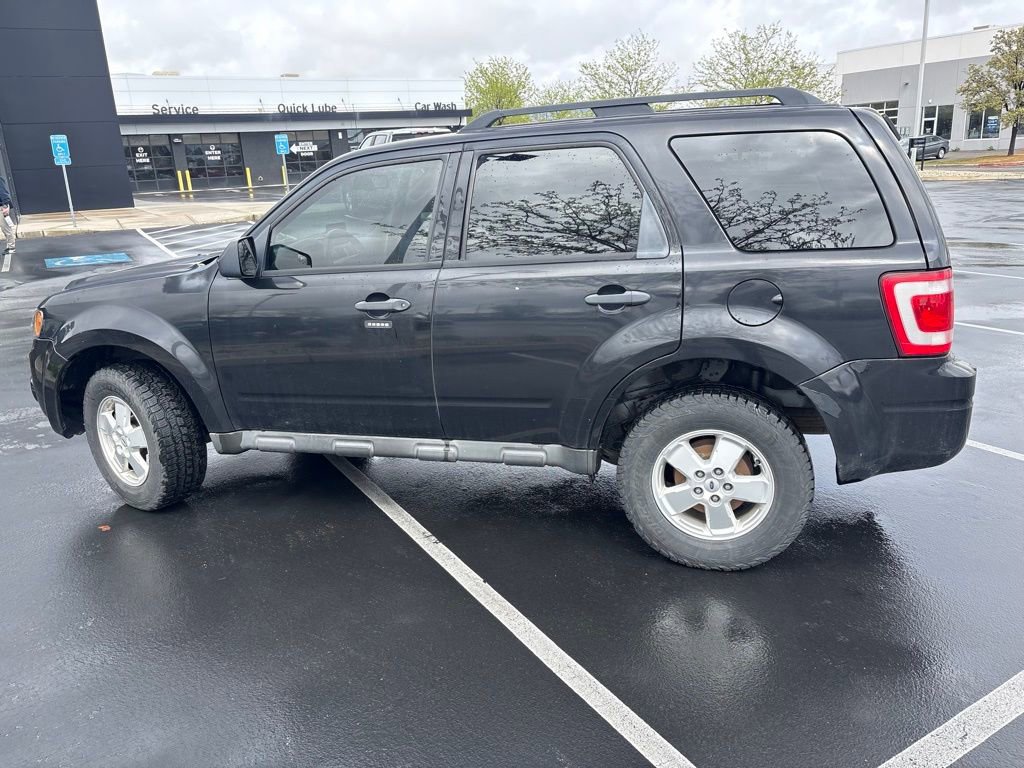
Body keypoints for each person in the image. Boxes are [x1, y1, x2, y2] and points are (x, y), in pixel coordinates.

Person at [0, 174, 14, 256]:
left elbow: (3, 192)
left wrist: (5, 205)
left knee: (5, 227)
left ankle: (11, 247)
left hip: (2, 206)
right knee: (4, 227)